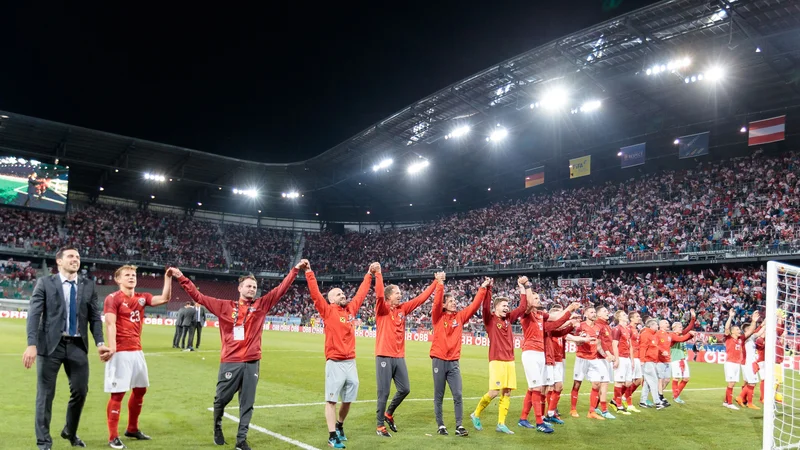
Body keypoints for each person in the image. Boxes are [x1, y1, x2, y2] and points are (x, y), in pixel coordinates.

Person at [172, 261, 302, 450]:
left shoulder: (261, 305)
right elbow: (198, 296)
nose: (252, 289)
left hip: (252, 362)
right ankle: (217, 427)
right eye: (249, 286)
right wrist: (181, 277)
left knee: (247, 403)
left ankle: (241, 440)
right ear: (240, 288)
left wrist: (295, 270)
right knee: (221, 399)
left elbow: (281, 289)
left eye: (255, 287)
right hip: (230, 361)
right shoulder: (224, 306)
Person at [23, 246, 111, 450]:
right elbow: (34, 315)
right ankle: (44, 442)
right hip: (49, 347)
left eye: (78, 257)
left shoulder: (88, 285)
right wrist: (31, 344)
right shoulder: (45, 283)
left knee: (81, 391)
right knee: (45, 395)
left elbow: (94, 318)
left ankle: (70, 431)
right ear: (59, 261)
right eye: (71, 256)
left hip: (77, 345)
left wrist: (99, 342)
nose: (75, 259)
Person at [304, 261, 378, 449]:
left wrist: (369, 274)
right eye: (338, 294)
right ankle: (331, 436)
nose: (343, 295)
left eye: (343, 293)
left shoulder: (351, 310)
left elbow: (361, 293)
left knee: (348, 399)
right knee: (331, 400)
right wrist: (309, 272)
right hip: (335, 362)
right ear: (330, 300)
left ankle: (339, 426)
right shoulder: (328, 311)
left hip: (350, 362)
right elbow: (315, 294)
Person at [103, 265, 173, 449]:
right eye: (127, 275)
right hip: (120, 352)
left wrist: (168, 278)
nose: (131, 277)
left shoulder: (142, 298)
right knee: (118, 394)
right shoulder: (112, 299)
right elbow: (110, 323)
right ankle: (113, 436)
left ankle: (132, 429)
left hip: (137, 351)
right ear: (118, 279)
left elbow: (165, 298)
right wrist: (112, 347)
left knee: (140, 390)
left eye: (133, 275)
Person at [374, 268, 438, 437]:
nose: (400, 295)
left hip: (399, 356)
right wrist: (378, 274)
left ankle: (388, 413)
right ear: (389, 297)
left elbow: (421, 299)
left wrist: (435, 283)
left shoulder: (403, 309)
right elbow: (379, 295)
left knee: (405, 389)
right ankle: (380, 425)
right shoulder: (382, 309)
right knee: (384, 392)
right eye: (397, 293)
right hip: (384, 355)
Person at [517, 278, 579, 433]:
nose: (538, 300)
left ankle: (523, 418)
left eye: (539, 298)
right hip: (531, 352)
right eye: (536, 298)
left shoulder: (540, 315)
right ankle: (539, 422)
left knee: (533, 388)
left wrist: (569, 311)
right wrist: (526, 286)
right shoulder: (526, 314)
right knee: (537, 388)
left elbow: (556, 321)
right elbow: (527, 302)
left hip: (540, 354)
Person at [429, 276, 488, 437]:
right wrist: (440, 284)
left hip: (453, 362)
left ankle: (459, 425)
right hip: (439, 361)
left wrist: (482, 288)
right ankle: (441, 425)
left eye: (455, 301)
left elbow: (474, 306)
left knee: (458, 394)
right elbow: (436, 303)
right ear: (444, 304)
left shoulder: (460, 317)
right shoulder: (437, 316)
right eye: (450, 301)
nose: (454, 303)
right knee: (439, 394)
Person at [470, 277, 526, 435]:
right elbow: (485, 305)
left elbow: (522, 307)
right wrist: (489, 288)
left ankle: (501, 423)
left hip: (510, 361)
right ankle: (476, 414)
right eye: (503, 306)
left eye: (507, 306)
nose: (506, 308)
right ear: (495, 309)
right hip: (496, 360)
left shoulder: (508, 319)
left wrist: (522, 286)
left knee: (507, 392)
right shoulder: (490, 320)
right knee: (494, 392)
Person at [569, 306, 608, 420]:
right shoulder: (581, 326)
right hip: (581, 358)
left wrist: (606, 355)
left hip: (593, 358)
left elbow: (599, 344)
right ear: (585, 314)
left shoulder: (598, 327)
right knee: (577, 384)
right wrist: (581, 340)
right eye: (591, 312)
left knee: (597, 383)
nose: (593, 313)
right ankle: (573, 409)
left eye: (594, 312)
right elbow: (576, 342)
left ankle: (591, 411)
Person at [723, 308, 759, 410]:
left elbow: (751, 331)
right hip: (730, 363)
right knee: (731, 383)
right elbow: (726, 328)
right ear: (732, 332)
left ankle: (726, 402)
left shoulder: (741, 339)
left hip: (737, 363)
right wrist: (730, 317)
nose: (740, 331)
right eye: (737, 330)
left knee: (733, 382)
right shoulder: (728, 338)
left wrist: (754, 321)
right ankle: (729, 403)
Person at [669, 310, 697, 404]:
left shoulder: (680, 334)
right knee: (676, 378)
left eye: (681, 326)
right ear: (674, 328)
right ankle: (676, 396)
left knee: (686, 378)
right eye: (679, 327)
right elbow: (681, 339)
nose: (681, 328)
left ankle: (676, 394)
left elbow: (689, 328)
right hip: (675, 360)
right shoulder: (672, 335)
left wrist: (693, 318)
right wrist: (690, 335)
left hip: (682, 360)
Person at [639, 318, 666, 410]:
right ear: (651, 326)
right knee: (654, 381)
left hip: (652, 361)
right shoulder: (645, 334)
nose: (657, 326)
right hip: (647, 361)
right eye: (655, 325)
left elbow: (655, 347)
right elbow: (643, 347)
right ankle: (657, 402)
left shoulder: (653, 335)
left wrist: (662, 351)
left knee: (647, 382)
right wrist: (642, 360)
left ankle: (643, 401)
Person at [610, 310, 633, 415]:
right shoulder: (616, 329)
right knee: (619, 382)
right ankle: (618, 406)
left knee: (628, 382)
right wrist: (616, 358)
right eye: (623, 314)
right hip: (621, 357)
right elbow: (614, 345)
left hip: (627, 358)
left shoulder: (627, 329)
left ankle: (614, 400)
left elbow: (630, 345)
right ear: (619, 317)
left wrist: (631, 360)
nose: (626, 315)